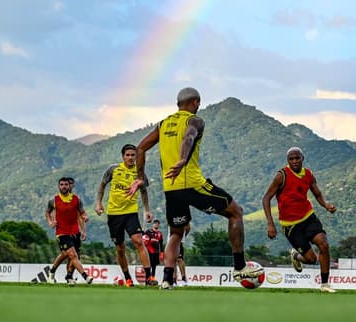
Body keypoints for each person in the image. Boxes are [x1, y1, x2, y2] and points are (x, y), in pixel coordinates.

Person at [128, 87, 263, 289]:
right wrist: (183, 159)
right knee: (236, 212)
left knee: (176, 233)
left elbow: (140, 148)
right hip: (192, 184)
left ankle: (166, 280)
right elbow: (188, 137)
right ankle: (239, 266)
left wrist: (140, 177)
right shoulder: (195, 120)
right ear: (196, 102)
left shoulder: (164, 124)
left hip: (171, 188)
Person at [262, 146, 338, 293]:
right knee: (311, 259)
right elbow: (266, 198)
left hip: (308, 217)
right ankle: (296, 255)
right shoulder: (281, 176)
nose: (295, 161)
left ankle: (325, 285)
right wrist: (270, 224)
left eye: (297, 158)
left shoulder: (309, 174)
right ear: (287, 161)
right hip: (290, 225)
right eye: (291, 159)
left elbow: (317, 194)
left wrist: (326, 204)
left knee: (324, 244)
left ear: (303, 158)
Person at [95, 144, 155, 287]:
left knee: (139, 241)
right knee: (120, 248)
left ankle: (149, 277)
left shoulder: (139, 172)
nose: (130, 157)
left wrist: (147, 210)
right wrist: (99, 203)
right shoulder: (113, 169)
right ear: (123, 156)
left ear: (136, 157)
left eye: (133, 155)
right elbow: (102, 185)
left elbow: (144, 191)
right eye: (127, 155)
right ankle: (127, 278)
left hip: (131, 213)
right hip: (114, 214)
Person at [45, 177, 93, 285]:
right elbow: (47, 212)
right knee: (72, 255)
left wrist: (85, 219)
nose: (64, 186)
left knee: (71, 255)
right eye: (61, 184)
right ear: (59, 186)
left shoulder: (77, 199)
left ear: (70, 186)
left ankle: (67, 275)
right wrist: (50, 222)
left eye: (66, 184)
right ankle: (86, 277)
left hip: (75, 232)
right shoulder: (53, 200)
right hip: (62, 232)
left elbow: (82, 214)